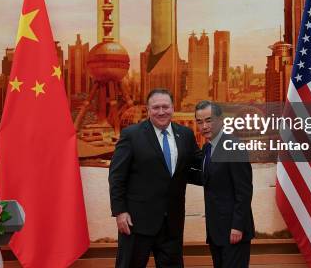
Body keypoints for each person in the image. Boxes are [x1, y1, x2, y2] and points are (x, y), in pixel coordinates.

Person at [109, 88, 201, 268]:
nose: (161, 112)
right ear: (148, 110)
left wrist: (227, 163)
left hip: (172, 224)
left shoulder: (186, 135)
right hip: (136, 222)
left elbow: (198, 165)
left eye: (165, 107)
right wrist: (120, 212)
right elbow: (117, 176)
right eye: (156, 107)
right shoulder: (131, 135)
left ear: (173, 108)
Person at [194, 100, 254, 268]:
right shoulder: (207, 149)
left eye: (209, 120)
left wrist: (237, 227)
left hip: (234, 232)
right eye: (200, 122)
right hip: (216, 232)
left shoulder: (233, 146)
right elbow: (208, 180)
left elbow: (244, 191)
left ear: (220, 120)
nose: (204, 126)